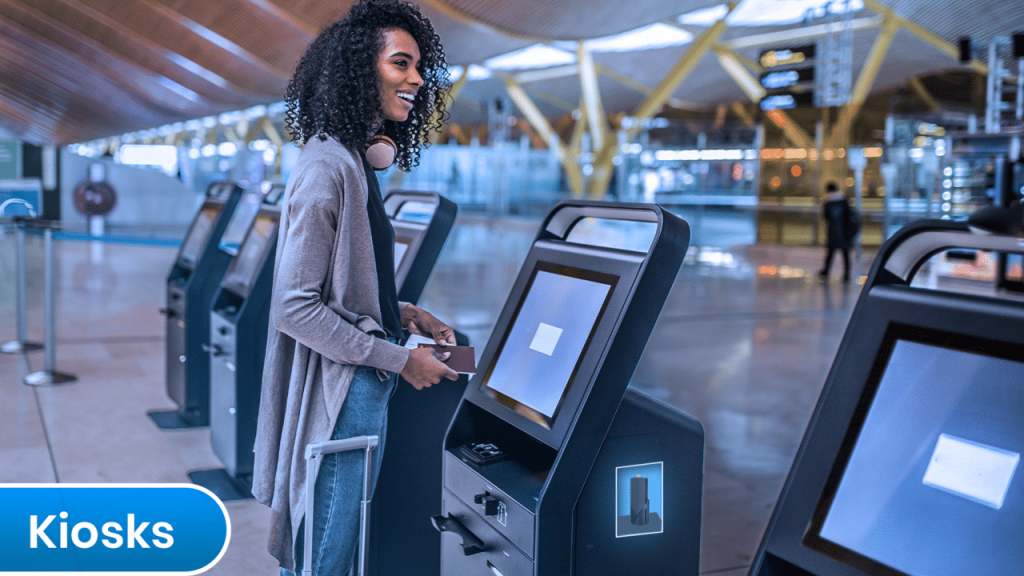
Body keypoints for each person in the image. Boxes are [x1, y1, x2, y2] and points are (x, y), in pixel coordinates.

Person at [251, 1, 457, 574]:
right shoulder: (327, 169)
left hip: (356, 381)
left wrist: (402, 311)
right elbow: (295, 306)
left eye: (419, 66)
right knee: (328, 553)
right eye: (401, 64)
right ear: (358, 70)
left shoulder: (351, 160)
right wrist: (398, 360)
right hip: (343, 392)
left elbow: (342, 284)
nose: (417, 79)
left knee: (339, 540)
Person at [819, 181, 853, 283]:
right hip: (844, 231)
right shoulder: (844, 200)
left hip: (833, 232)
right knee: (845, 254)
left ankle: (826, 272)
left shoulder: (828, 202)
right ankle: (846, 275)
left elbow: (826, 216)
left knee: (830, 253)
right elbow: (850, 215)